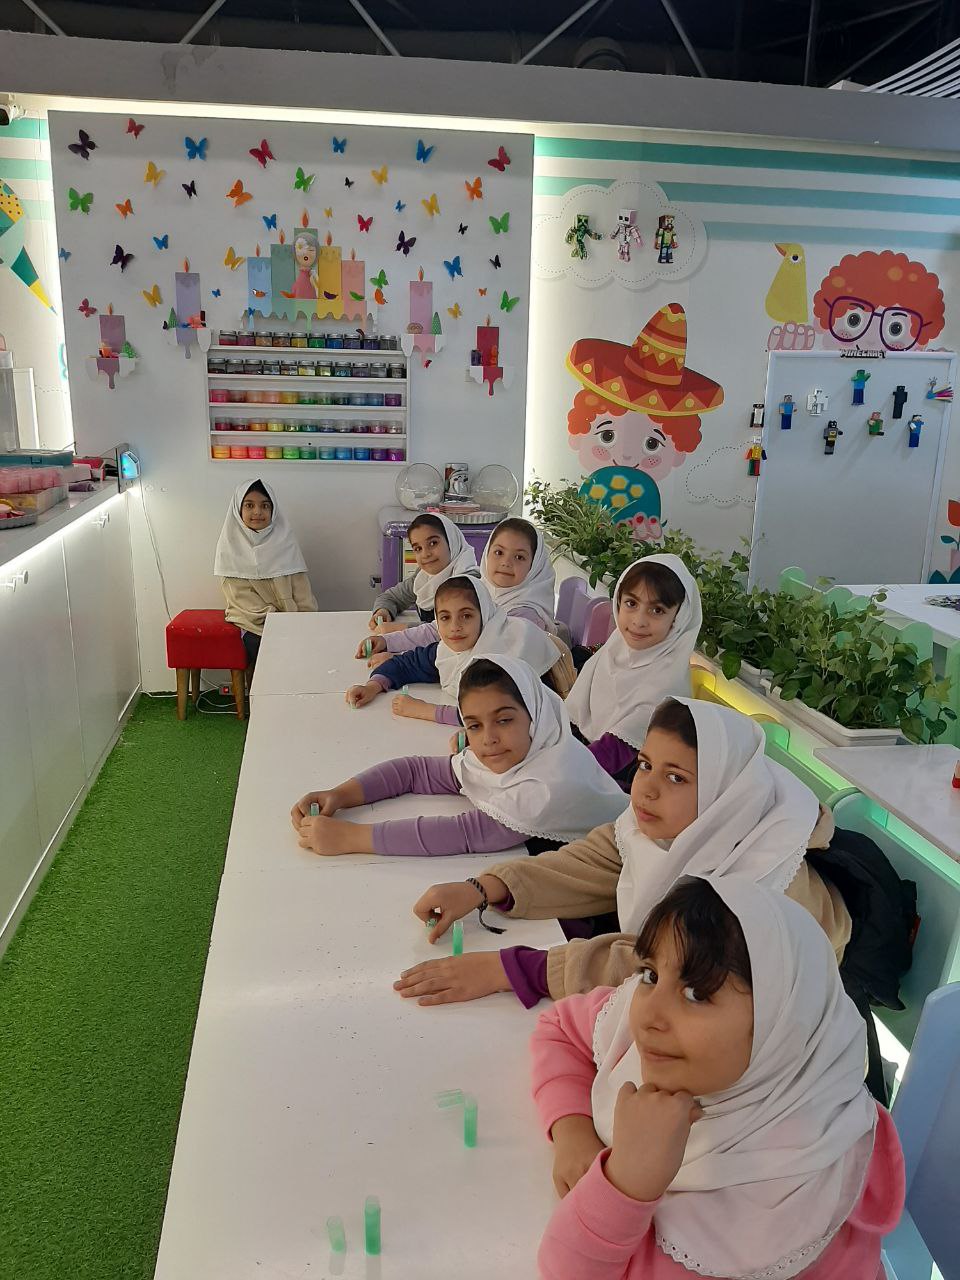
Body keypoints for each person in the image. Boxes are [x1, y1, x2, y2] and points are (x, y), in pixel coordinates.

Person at [531, 875, 904, 1280]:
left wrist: (626, 1183)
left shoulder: (799, 1190)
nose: (649, 1015)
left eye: (696, 994)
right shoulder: (645, 1037)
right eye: (651, 974)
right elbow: (560, 1027)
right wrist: (573, 1132)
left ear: (781, 1027)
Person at [394, 698, 849, 1007]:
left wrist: (512, 969)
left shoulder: (765, 885)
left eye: (676, 777)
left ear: (726, 792)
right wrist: (484, 887)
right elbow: (593, 861)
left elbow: (667, 972)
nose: (645, 789)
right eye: (646, 765)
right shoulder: (682, 825)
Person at [291, 655, 626, 857]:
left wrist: (350, 837)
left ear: (536, 715)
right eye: (474, 726)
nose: (488, 739)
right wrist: (340, 794)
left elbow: (464, 835)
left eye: (504, 720)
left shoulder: (548, 785)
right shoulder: (518, 751)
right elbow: (416, 772)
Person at [347, 576, 572, 726]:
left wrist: (426, 711)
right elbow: (408, 663)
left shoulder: (502, 655)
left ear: (484, 614)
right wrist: (372, 686)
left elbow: (494, 716)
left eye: (466, 616)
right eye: (445, 617)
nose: (454, 627)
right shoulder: (451, 650)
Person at [565, 555, 701, 786]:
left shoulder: (665, 687)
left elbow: (612, 754)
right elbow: (569, 719)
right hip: (580, 764)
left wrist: (553, 767)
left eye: (657, 610)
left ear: (678, 618)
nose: (639, 621)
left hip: (617, 787)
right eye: (631, 603)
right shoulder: (613, 650)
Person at [360, 517, 559, 665]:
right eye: (498, 552)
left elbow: (472, 659)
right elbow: (438, 630)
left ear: (535, 566)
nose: (506, 563)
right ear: (487, 555)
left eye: (519, 557)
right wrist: (387, 641)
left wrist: (400, 660)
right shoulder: (484, 592)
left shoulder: (526, 618)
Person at [214, 478, 317, 667]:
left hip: (292, 619)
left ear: (273, 510)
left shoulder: (285, 542)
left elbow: (303, 592)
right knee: (271, 650)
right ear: (238, 510)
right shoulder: (230, 547)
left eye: (265, 506)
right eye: (249, 505)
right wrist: (279, 622)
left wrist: (304, 620)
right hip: (253, 623)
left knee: (312, 647)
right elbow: (242, 600)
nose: (257, 512)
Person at [368, 513, 478, 630]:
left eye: (433, 543)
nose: (425, 554)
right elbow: (390, 597)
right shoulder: (424, 578)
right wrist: (383, 611)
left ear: (452, 541)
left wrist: (403, 628)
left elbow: (452, 629)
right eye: (418, 548)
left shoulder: (469, 583)